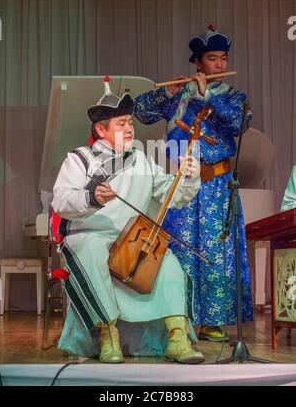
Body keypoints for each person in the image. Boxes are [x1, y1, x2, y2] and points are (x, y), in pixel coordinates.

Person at [52, 76, 205, 364]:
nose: (128, 128)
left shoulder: (143, 160)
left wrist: (189, 176)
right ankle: (108, 335)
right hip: (91, 235)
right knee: (91, 251)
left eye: (129, 123)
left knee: (168, 261)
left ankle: (177, 338)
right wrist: (91, 197)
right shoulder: (79, 160)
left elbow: (174, 195)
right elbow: (60, 201)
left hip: (131, 240)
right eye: (120, 124)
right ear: (100, 129)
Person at [133, 25, 253, 342]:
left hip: (217, 184)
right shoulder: (177, 95)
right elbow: (139, 111)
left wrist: (203, 97)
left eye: (223, 58)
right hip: (182, 181)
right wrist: (167, 92)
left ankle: (213, 322)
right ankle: (179, 320)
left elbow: (241, 122)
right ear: (198, 63)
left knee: (215, 251)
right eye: (211, 59)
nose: (219, 65)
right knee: (180, 251)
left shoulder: (233, 98)